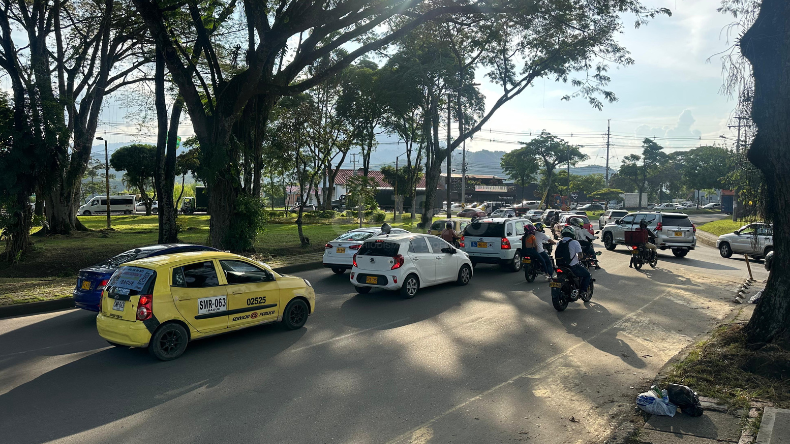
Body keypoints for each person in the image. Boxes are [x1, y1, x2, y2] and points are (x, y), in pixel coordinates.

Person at [555, 227, 592, 299]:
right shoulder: (575, 242)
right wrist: (583, 258)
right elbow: (580, 255)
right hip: (572, 266)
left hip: (560, 266)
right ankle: (582, 292)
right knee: (587, 275)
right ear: (572, 234)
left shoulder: (559, 242)